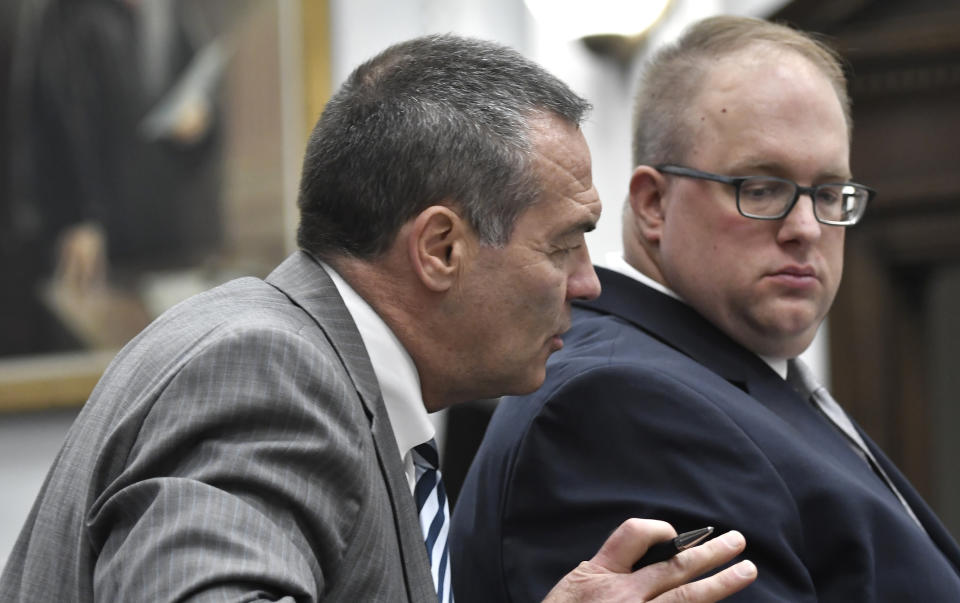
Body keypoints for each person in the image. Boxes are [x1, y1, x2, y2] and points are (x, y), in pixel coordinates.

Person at [0, 34, 757, 602]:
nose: (589, 285)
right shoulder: (267, 369)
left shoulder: (313, 369)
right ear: (439, 248)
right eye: (563, 245)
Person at [450, 15, 960, 603]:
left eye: (827, 193)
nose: (805, 228)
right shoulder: (620, 403)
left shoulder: (723, 376)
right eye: (761, 188)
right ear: (652, 206)